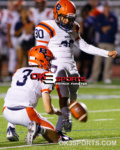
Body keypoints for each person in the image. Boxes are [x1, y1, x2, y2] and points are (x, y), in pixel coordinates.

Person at [35, 0, 117, 140]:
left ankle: (61, 127)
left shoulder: (74, 27)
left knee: (72, 93)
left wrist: (105, 53)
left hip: (70, 65)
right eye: (64, 17)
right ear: (56, 14)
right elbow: (40, 50)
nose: (67, 21)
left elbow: (84, 46)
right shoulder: (46, 26)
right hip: (55, 64)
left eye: (70, 18)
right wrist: (41, 69)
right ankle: (17, 122)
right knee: (49, 93)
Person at [3, 45, 61, 144]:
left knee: (17, 97)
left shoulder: (18, 71)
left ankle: (10, 128)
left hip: (6, 111)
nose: (50, 63)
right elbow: (48, 109)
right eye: (48, 59)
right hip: (25, 113)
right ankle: (39, 129)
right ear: (41, 59)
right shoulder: (47, 75)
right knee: (56, 138)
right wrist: (56, 111)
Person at [87, 3, 118, 84]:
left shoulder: (113, 17)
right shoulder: (100, 17)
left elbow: (114, 29)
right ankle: (94, 77)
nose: (106, 9)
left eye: (107, 8)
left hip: (110, 42)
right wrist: (105, 28)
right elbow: (97, 27)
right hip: (100, 42)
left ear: (109, 8)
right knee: (97, 61)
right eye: (105, 8)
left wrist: (104, 28)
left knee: (108, 62)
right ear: (103, 8)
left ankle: (106, 77)